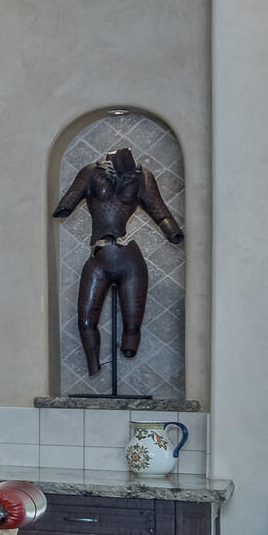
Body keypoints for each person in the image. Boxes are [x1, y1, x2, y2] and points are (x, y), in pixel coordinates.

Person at [53, 147, 185, 376]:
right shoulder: (90, 173)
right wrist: (65, 205)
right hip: (99, 258)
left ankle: (128, 348)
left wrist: (173, 232)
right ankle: (93, 367)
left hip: (129, 259)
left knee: (132, 329)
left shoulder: (142, 177)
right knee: (85, 322)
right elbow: (67, 203)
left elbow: (160, 211)